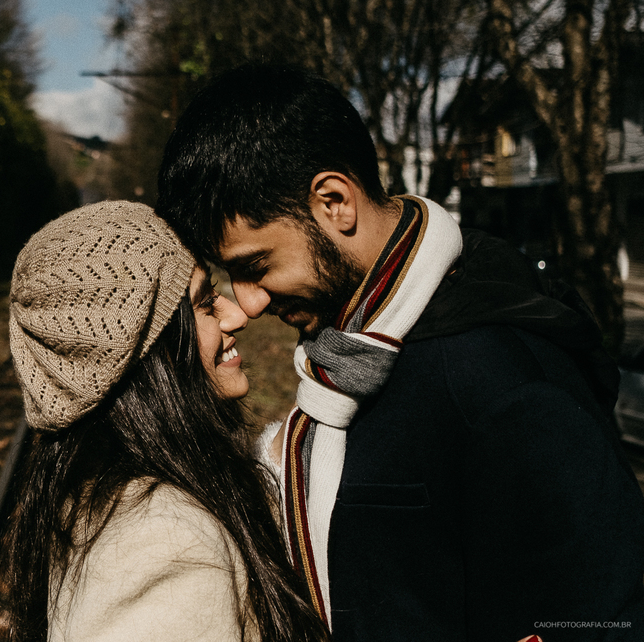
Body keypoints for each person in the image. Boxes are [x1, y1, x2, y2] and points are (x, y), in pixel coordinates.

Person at [155, 62, 644, 641]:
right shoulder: (360, 355)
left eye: (256, 267)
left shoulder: (496, 377)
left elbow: (603, 616)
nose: (251, 303)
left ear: (335, 202)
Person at [0, 200, 328, 642]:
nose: (238, 314)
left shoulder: (108, 499)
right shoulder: (159, 542)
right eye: (206, 303)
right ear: (147, 357)